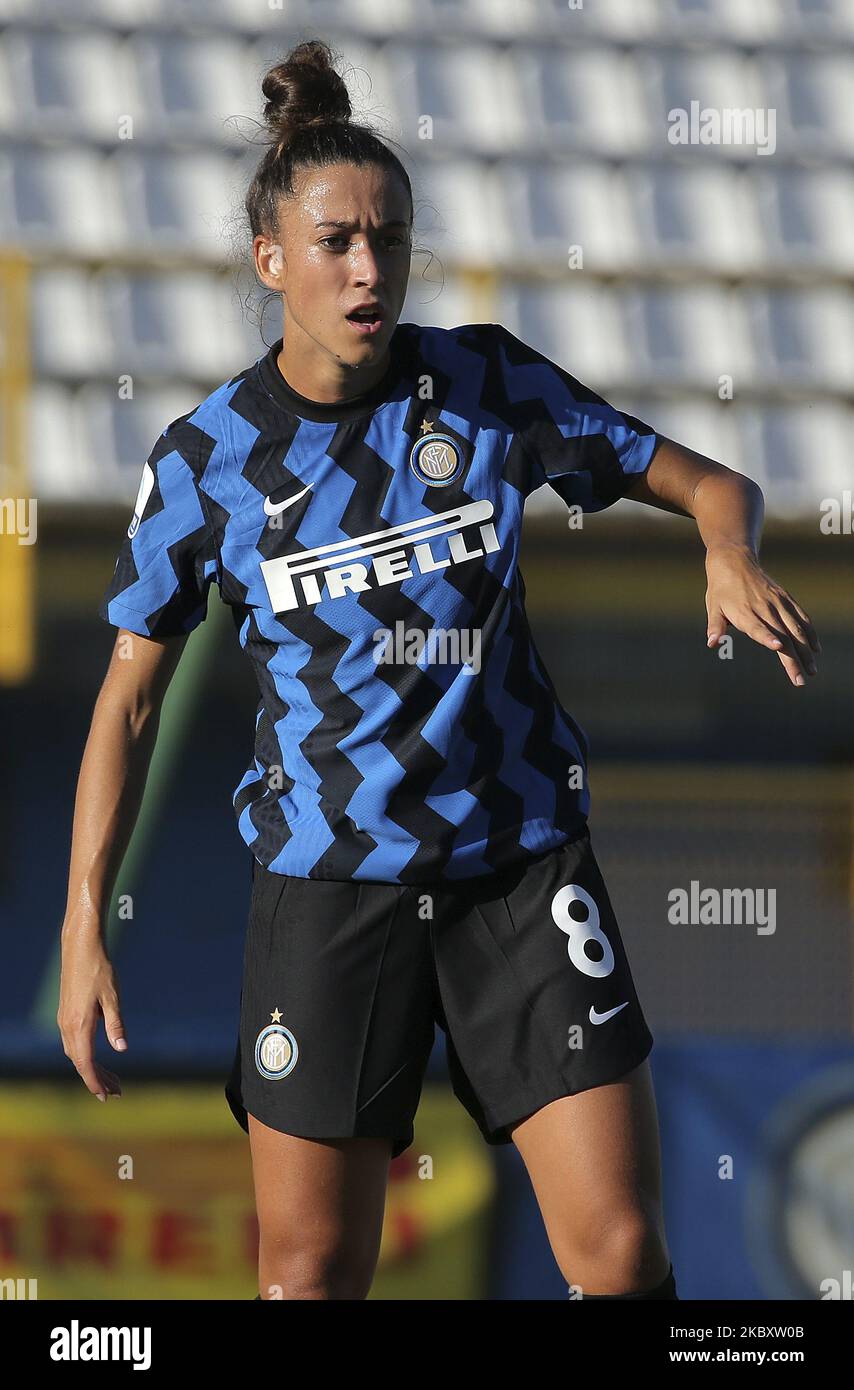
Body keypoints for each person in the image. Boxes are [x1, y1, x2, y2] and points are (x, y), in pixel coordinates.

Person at [57, 39, 820, 1301]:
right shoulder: (206, 463)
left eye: (391, 239)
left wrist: (723, 547)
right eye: (337, 242)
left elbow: (707, 479)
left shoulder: (481, 385)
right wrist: (85, 925)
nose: (369, 268)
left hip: (515, 867)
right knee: (307, 1279)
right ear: (271, 262)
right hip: (327, 887)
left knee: (623, 1258)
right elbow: (125, 700)